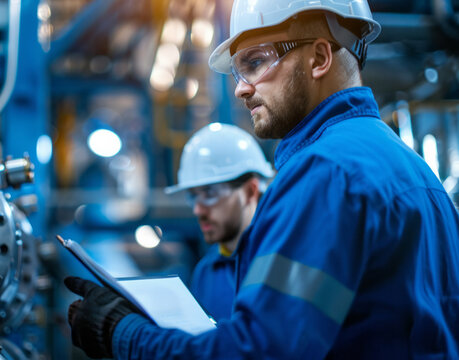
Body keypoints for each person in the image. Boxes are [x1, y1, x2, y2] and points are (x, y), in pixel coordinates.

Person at [64, 0, 459, 358]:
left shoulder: (325, 172)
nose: (240, 88)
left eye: (255, 62)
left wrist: (123, 333)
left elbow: (259, 353)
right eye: (238, 70)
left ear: (319, 57)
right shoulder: (417, 174)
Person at [163, 122, 274, 322]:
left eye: (209, 193)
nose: (198, 209)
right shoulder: (206, 272)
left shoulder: (278, 266)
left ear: (250, 191)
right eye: (193, 196)